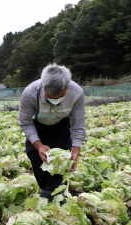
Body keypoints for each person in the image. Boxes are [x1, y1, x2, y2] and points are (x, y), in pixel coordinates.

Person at [18, 64, 85, 202]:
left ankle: (50, 198)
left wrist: (76, 150)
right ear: (43, 86)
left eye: (60, 97)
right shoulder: (30, 93)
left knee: (59, 166)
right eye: (50, 97)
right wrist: (39, 145)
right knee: (38, 164)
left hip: (62, 127)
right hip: (38, 127)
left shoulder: (76, 93)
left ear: (66, 88)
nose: (55, 101)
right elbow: (25, 122)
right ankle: (49, 194)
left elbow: (78, 125)